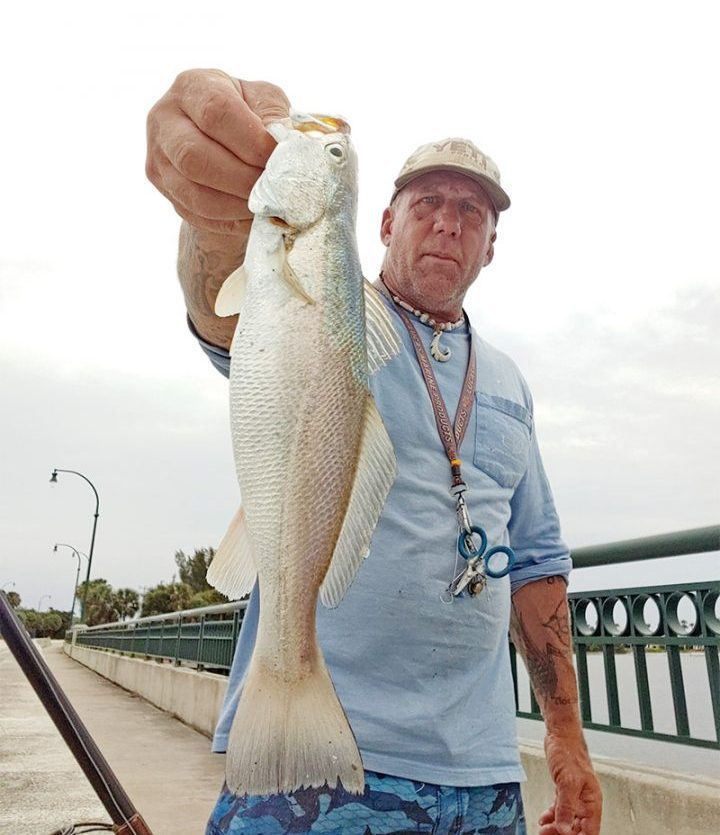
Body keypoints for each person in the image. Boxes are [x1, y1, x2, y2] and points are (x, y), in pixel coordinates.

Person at [146, 69, 602, 835]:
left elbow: (537, 561)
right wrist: (215, 219)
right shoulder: (327, 310)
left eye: (471, 211)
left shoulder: (513, 384)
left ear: (493, 244)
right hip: (318, 760)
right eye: (428, 204)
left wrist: (564, 734)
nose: (449, 223)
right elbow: (222, 307)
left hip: (482, 774)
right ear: (385, 223)